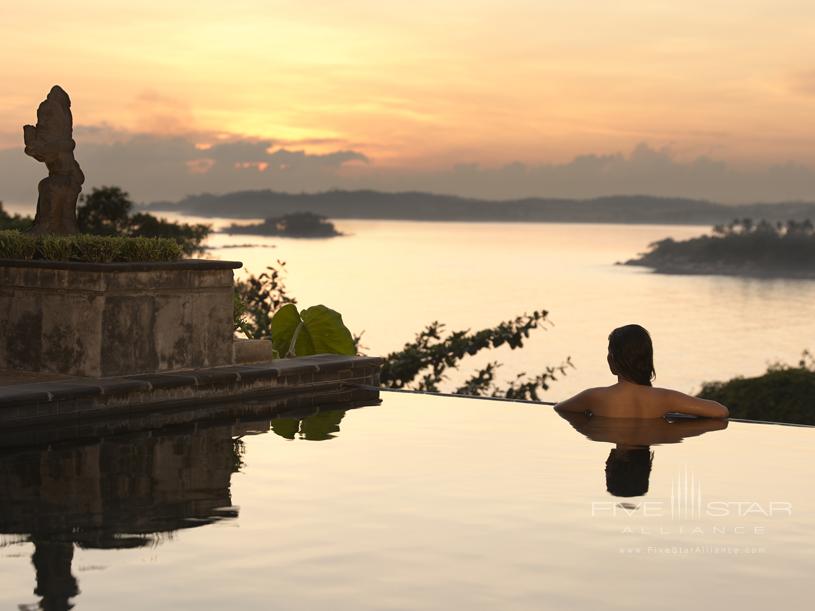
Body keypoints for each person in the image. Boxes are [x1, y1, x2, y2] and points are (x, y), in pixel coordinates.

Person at [555, 324, 729, 419]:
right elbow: (720, 411)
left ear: (612, 362)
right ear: (648, 360)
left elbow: (559, 409)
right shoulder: (665, 399)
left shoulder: (593, 398)